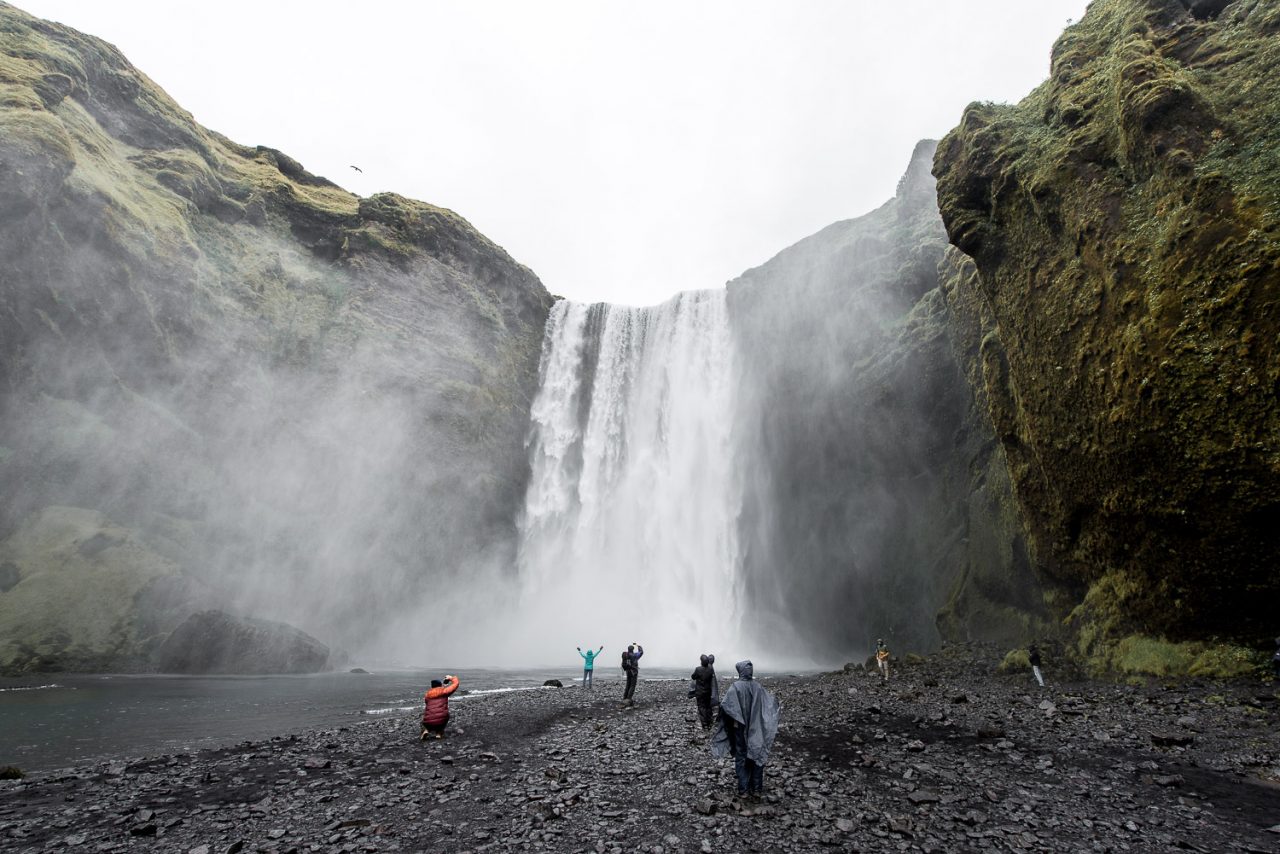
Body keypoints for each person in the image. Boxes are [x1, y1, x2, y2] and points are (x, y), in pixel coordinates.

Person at [711, 660, 780, 799]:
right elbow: (770, 703)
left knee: (741, 756)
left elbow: (725, 706)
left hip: (739, 728)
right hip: (756, 728)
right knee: (756, 754)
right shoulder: (758, 687)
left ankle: (743, 789)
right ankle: (756, 789)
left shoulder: (735, 688)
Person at [420, 675, 459, 741]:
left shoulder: (427, 694)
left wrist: (444, 686)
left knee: (425, 719)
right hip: (442, 718)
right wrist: (451, 678)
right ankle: (439, 733)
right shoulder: (444, 691)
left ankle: (426, 730)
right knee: (445, 716)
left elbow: (427, 703)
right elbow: (455, 684)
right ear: (440, 685)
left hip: (428, 719)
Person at [690, 654, 719, 730]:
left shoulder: (698, 669)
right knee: (707, 706)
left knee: (701, 707)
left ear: (701, 662)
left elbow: (693, 676)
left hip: (700, 692)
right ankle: (709, 721)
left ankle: (705, 724)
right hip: (708, 691)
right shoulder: (711, 669)